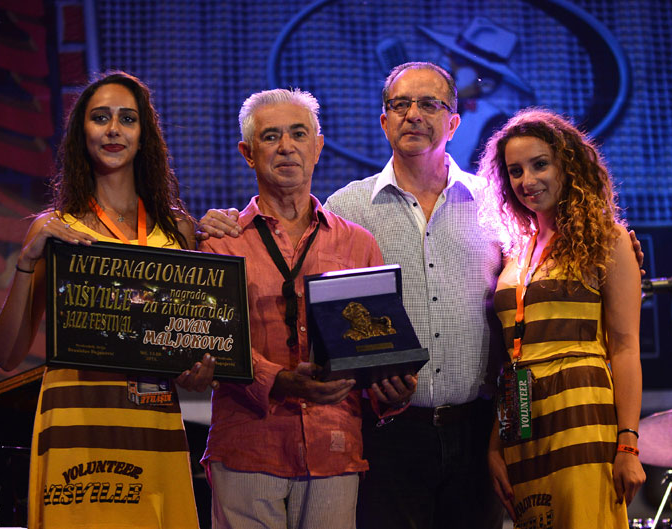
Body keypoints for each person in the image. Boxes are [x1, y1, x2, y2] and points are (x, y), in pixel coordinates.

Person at [199, 62, 505, 529]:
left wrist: (388, 389)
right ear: (384, 120)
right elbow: (211, 341)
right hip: (347, 440)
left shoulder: (492, 206)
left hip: (464, 428)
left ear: (454, 121)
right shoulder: (344, 210)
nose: (413, 114)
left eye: (429, 104)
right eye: (400, 104)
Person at [0, 71, 215, 529]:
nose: (114, 129)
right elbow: (7, 355)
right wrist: (26, 261)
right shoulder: (54, 228)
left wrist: (197, 369)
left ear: (143, 135)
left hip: (152, 418)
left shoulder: (178, 229)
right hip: (76, 418)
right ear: (82, 134)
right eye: (100, 118)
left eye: (127, 119)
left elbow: (188, 341)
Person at [198, 88, 416, 529]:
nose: (286, 147)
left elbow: (376, 347)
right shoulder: (220, 244)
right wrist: (277, 380)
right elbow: (212, 343)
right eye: (270, 136)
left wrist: (391, 391)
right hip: (248, 444)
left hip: (333, 446)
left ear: (318, 146)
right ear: (247, 153)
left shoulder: (358, 243)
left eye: (299, 134)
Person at [479, 108, 646, 527]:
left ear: (568, 166)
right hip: (523, 424)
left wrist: (628, 444)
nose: (527, 180)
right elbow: (512, 360)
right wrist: (497, 444)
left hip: (581, 412)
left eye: (540, 164)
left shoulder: (609, 239)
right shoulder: (516, 251)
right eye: (515, 171)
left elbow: (625, 348)